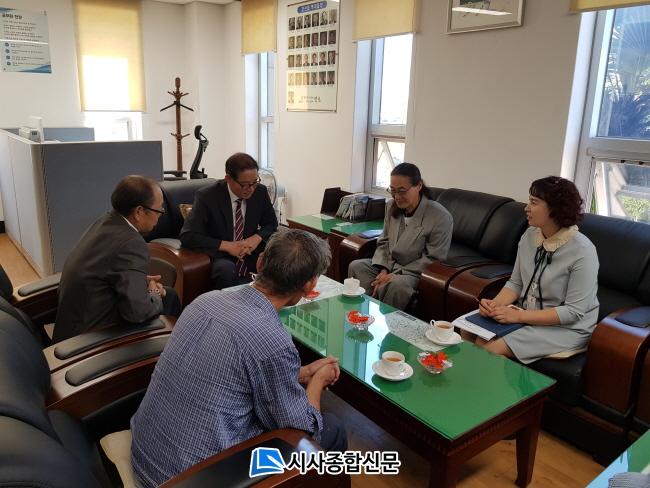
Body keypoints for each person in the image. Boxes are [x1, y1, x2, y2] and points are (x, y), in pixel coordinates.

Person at [131, 229, 347, 487]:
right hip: (189, 477)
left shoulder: (205, 300)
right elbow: (303, 429)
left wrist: (300, 373)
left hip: (144, 456)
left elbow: (231, 373)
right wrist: (318, 380)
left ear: (260, 262)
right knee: (332, 429)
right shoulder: (271, 341)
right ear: (310, 285)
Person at [467, 176, 599, 364]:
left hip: (567, 327)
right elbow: (516, 283)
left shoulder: (583, 251)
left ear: (555, 209)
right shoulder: (529, 235)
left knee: (490, 347)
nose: (526, 208)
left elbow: (573, 312)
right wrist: (494, 306)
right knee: (469, 331)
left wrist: (518, 316)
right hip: (527, 313)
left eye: (534, 202)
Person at [53, 176, 181, 343]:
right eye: (159, 210)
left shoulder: (106, 221)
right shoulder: (132, 243)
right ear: (139, 212)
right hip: (91, 339)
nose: (160, 216)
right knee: (168, 297)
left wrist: (138, 279)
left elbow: (107, 270)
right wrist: (154, 293)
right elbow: (137, 313)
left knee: (168, 294)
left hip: (74, 322)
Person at [348, 163, 453, 310]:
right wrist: (383, 270)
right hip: (389, 265)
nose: (397, 197)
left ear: (419, 186)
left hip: (414, 272)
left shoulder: (439, 217)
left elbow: (433, 259)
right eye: (393, 190)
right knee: (357, 267)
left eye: (402, 191)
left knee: (395, 285)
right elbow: (384, 241)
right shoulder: (391, 206)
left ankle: (389, 323)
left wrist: (394, 275)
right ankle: (360, 315)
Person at [180, 152, 278, 289]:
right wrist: (227, 246)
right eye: (244, 185)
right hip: (222, 255)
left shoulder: (260, 192)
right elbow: (188, 236)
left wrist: (255, 238)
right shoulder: (207, 196)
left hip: (250, 251)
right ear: (228, 179)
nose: (250, 189)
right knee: (225, 270)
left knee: (279, 260)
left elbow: (271, 223)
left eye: (254, 182)